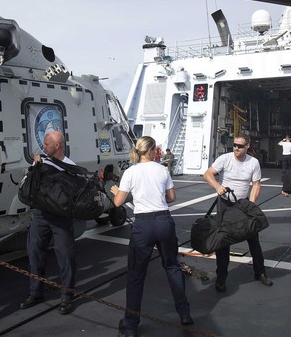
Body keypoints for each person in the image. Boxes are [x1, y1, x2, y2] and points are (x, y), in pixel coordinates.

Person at [110, 137, 192, 337]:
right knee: (172, 267)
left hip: (143, 225)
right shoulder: (162, 169)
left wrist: (115, 191)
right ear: (152, 151)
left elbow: (118, 203)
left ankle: (130, 324)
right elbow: (171, 198)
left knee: (136, 275)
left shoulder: (130, 172)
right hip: (164, 222)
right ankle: (185, 314)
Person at [203, 133, 273, 292]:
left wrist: (252, 205)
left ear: (248, 146)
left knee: (253, 239)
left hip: (243, 204)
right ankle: (221, 277)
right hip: (225, 204)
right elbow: (208, 174)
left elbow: (256, 184)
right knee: (223, 242)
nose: (236, 148)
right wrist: (217, 187)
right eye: (234, 145)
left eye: (240, 146)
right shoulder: (225, 159)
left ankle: (260, 272)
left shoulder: (253, 162)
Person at [20, 130, 78, 315]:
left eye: (46, 144)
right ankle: (36, 292)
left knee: (65, 255)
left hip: (60, 217)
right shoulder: (41, 163)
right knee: (35, 252)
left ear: (57, 145)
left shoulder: (70, 167)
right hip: (40, 215)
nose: (43, 147)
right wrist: (36, 166)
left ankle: (67, 296)